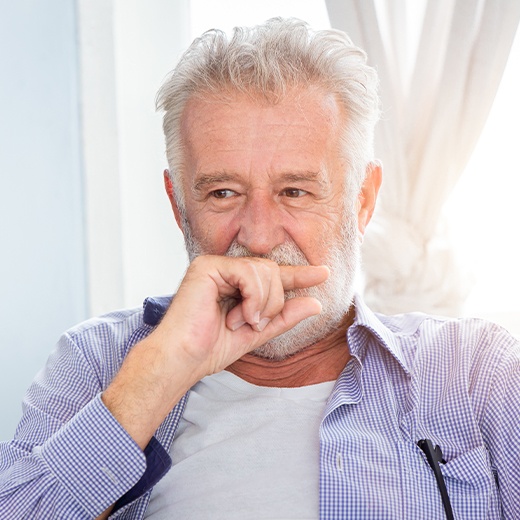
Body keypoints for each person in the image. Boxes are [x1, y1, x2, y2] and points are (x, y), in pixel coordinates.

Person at [0, 17, 518, 520]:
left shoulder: (479, 374)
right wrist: (160, 372)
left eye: (295, 191)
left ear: (362, 200)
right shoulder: (95, 362)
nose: (260, 236)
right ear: (178, 205)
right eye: (223, 193)